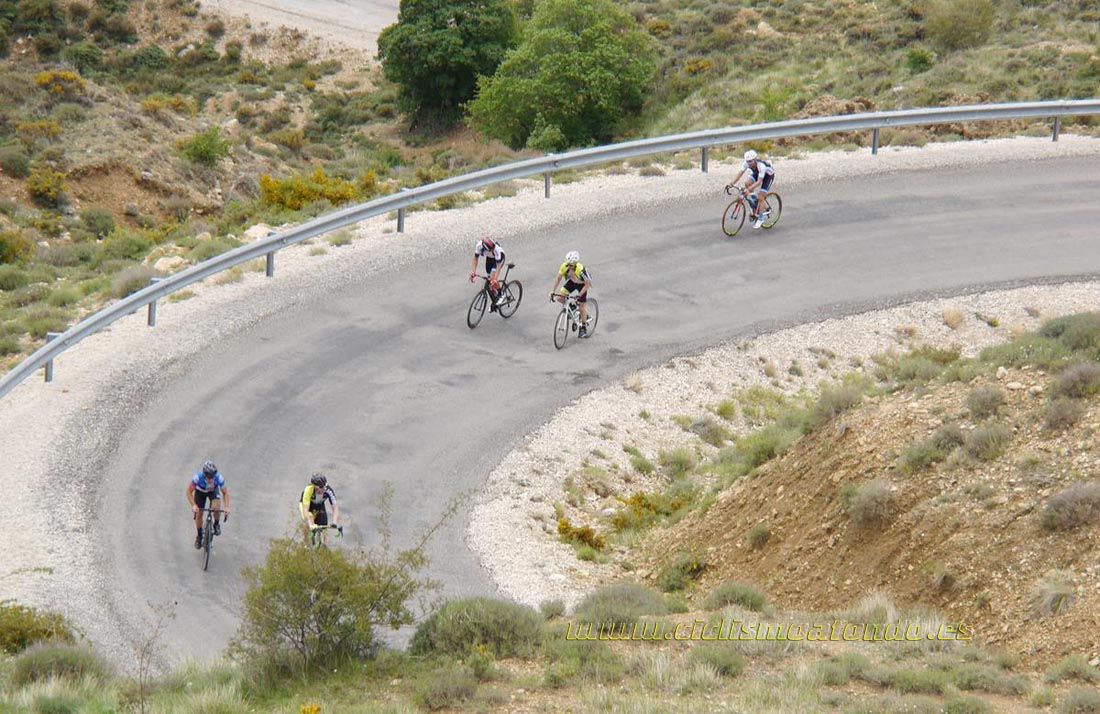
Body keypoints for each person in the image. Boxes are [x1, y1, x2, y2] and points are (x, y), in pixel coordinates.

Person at [726, 149, 775, 229]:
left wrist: (748, 190)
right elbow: (740, 174)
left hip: (768, 176)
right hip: (757, 173)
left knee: (760, 197)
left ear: (755, 159)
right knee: (747, 183)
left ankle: (761, 218)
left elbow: (759, 182)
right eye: (748, 161)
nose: (749, 163)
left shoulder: (761, 166)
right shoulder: (746, 164)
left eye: (751, 161)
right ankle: (755, 204)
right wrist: (731, 183)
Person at [187, 460, 230, 549]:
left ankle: (216, 524)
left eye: (212, 477)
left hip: (213, 491)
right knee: (199, 514)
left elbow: (225, 493)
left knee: (216, 508)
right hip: (200, 491)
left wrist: (226, 507)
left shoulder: (218, 477)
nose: (211, 479)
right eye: (209, 477)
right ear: (204, 475)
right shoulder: (197, 478)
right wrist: (194, 505)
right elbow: (188, 492)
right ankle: (199, 536)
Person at [550, 250, 593, 338]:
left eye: (571, 265)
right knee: (560, 297)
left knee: (581, 306)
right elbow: (558, 278)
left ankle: (583, 327)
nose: (569, 266)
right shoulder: (564, 266)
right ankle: (572, 308)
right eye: (568, 264)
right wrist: (552, 291)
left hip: (583, 284)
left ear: (575, 264)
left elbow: (588, 284)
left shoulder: (580, 270)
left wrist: (579, 294)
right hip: (572, 282)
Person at [299, 472, 339, 546]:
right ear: (315, 487)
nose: (323, 489)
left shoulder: (328, 490)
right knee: (309, 520)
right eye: (320, 487)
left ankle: (325, 548)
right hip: (307, 506)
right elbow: (305, 510)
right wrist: (310, 524)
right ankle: (306, 544)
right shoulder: (308, 490)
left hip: (319, 505)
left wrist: (334, 522)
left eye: (324, 486)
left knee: (324, 528)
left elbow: (335, 507)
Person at [469, 236, 507, 311]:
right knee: (489, 279)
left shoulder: (496, 250)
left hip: (499, 259)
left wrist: (495, 279)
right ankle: (495, 299)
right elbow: (475, 259)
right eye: (491, 249)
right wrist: (473, 272)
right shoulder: (479, 246)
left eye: (493, 249)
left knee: (492, 279)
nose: (493, 249)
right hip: (490, 258)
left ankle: (501, 294)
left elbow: (498, 267)